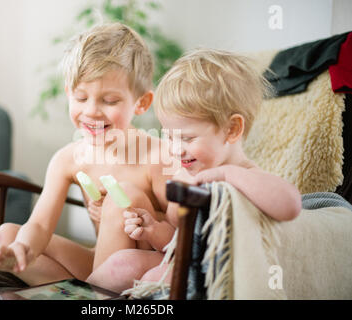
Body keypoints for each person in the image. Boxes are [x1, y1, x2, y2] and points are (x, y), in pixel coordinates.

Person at [87, 48, 302, 293]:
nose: (176, 150)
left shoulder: (244, 175)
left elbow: (291, 205)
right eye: (169, 137)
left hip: (218, 275)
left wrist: (226, 175)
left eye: (187, 138)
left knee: (156, 276)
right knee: (120, 264)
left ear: (232, 129)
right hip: (179, 262)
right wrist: (153, 230)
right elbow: (177, 242)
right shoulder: (183, 176)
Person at [0, 22, 174, 286]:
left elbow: (182, 230)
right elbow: (39, 225)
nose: (92, 111)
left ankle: (93, 293)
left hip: (140, 266)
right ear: (68, 94)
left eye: (110, 101)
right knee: (7, 235)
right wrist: (22, 249)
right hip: (100, 263)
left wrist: (136, 215)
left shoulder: (157, 155)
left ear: (141, 103)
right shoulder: (68, 159)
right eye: (81, 98)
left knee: (126, 194)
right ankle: (88, 294)